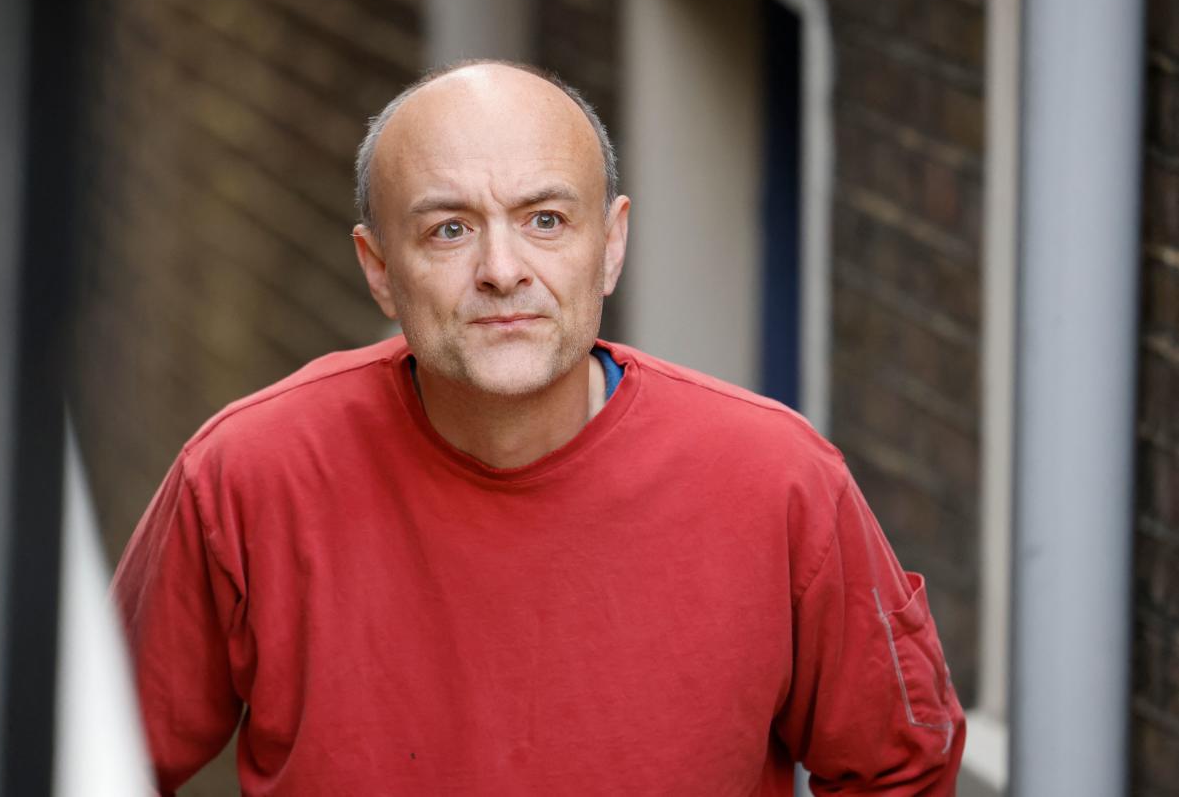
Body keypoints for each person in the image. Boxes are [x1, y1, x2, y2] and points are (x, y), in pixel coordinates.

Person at [112, 60, 965, 796]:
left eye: (545, 220)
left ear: (611, 244)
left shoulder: (775, 477)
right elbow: (92, 759)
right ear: (379, 269)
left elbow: (900, 766)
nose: (501, 270)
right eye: (449, 230)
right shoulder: (245, 474)